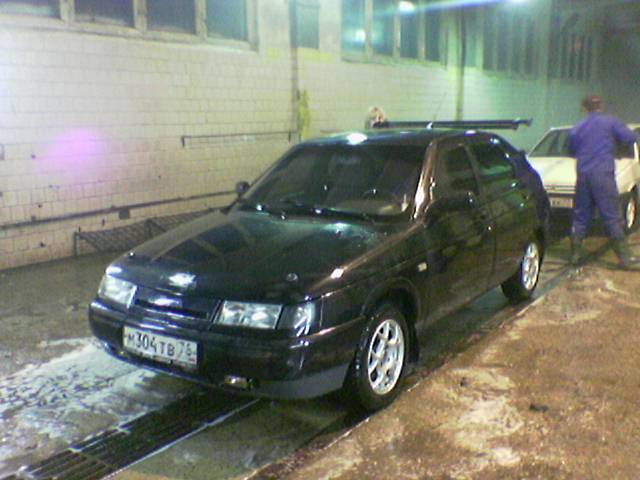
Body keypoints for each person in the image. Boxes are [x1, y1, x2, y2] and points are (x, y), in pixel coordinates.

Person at [568, 94, 640, 269]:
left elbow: (571, 150)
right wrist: (614, 145)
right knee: (611, 215)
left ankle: (575, 256)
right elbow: (630, 137)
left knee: (581, 215)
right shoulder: (611, 122)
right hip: (603, 174)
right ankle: (625, 259)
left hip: (583, 175)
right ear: (601, 106)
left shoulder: (577, 128)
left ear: (584, 108)